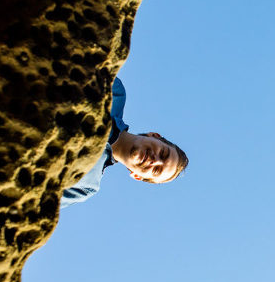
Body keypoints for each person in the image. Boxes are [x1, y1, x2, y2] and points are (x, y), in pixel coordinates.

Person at [60, 77, 188, 209]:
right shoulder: (115, 93)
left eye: (156, 170)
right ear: (154, 135)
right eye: (163, 153)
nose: (155, 161)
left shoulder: (86, 186)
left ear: (137, 176)